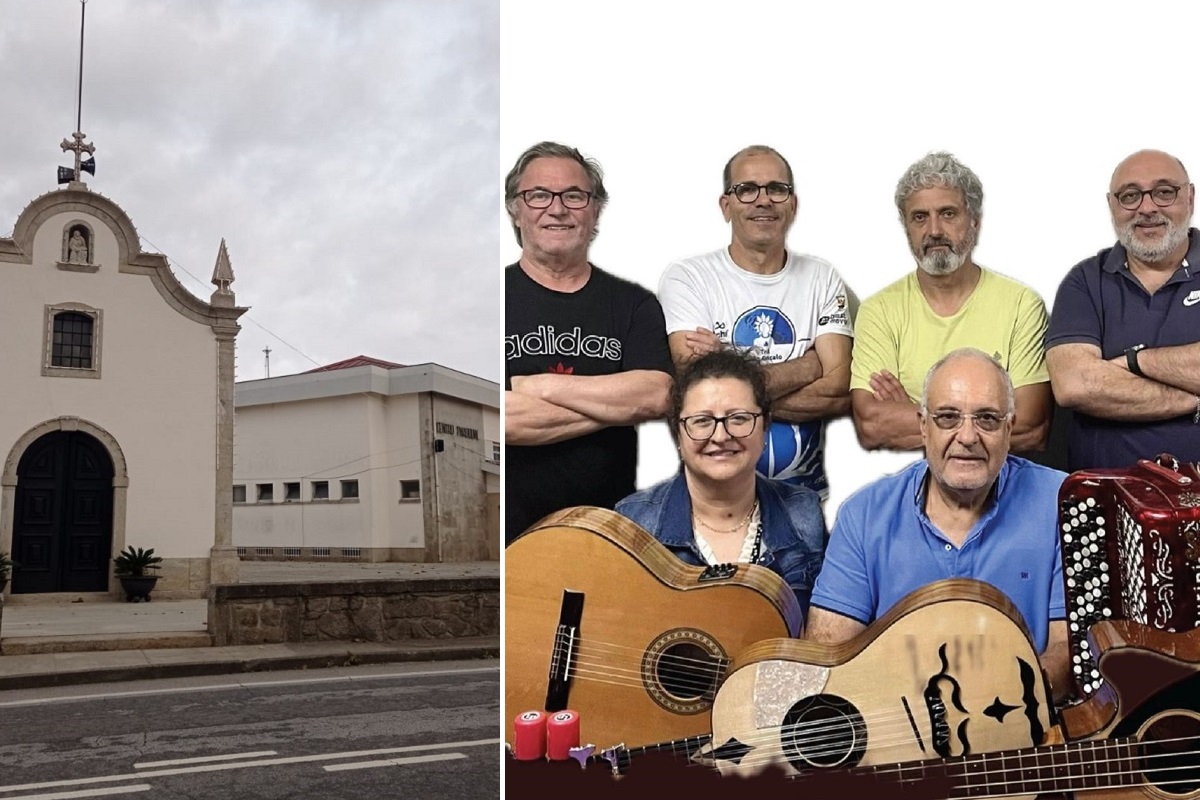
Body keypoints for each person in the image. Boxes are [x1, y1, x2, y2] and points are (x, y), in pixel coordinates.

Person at [808, 348, 1070, 702]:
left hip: (1025, 731)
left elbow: (1067, 652)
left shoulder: (1061, 502)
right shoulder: (864, 515)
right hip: (899, 737)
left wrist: (1007, 711)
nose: (967, 436)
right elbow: (827, 662)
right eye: (947, 417)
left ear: (1009, 429)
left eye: (987, 419)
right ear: (922, 426)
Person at [657, 145, 853, 500]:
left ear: (792, 205)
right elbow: (696, 390)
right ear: (726, 205)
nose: (763, 200)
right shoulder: (688, 278)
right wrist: (810, 365)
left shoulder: (821, 277)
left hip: (805, 500)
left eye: (777, 189)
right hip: (712, 501)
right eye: (747, 189)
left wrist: (728, 372)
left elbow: (839, 388)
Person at [504, 141, 673, 542]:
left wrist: (539, 386)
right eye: (539, 195)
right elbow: (503, 418)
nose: (557, 208)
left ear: (595, 210)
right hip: (511, 538)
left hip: (607, 537)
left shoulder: (635, 304)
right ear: (516, 209)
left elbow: (657, 395)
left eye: (574, 196)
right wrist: (616, 408)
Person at [850, 152, 1051, 454]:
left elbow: (1031, 427)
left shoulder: (1021, 305)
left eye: (948, 213)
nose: (933, 231)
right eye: (920, 217)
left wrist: (915, 412)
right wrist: (989, 417)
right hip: (912, 485)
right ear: (907, 227)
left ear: (975, 223)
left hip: (1006, 484)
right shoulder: (879, 311)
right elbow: (871, 425)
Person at [616, 349, 826, 622]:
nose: (721, 435)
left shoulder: (805, 512)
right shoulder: (633, 522)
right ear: (678, 435)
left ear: (765, 428)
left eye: (738, 418)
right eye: (701, 421)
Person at [1045, 149, 1200, 470]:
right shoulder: (1085, 282)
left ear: (1190, 197)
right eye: (1130, 196)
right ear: (1112, 206)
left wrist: (1134, 361)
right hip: (1103, 500)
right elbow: (1075, 384)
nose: (1146, 207)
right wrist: (1193, 400)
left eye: (1164, 192)